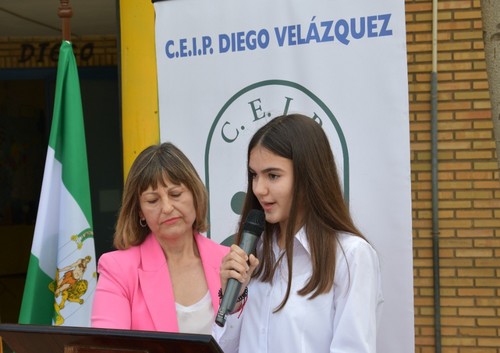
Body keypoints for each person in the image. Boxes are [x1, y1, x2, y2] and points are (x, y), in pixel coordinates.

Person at [213, 114, 384, 353]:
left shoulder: (351, 256)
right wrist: (234, 300)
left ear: (309, 176)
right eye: (254, 175)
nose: (259, 189)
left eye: (273, 175)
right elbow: (223, 348)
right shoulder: (256, 251)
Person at [91, 142, 229, 333]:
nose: (166, 207)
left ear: (195, 195)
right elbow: (107, 347)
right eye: (152, 200)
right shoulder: (117, 270)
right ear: (140, 211)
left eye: (175, 194)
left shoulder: (229, 262)